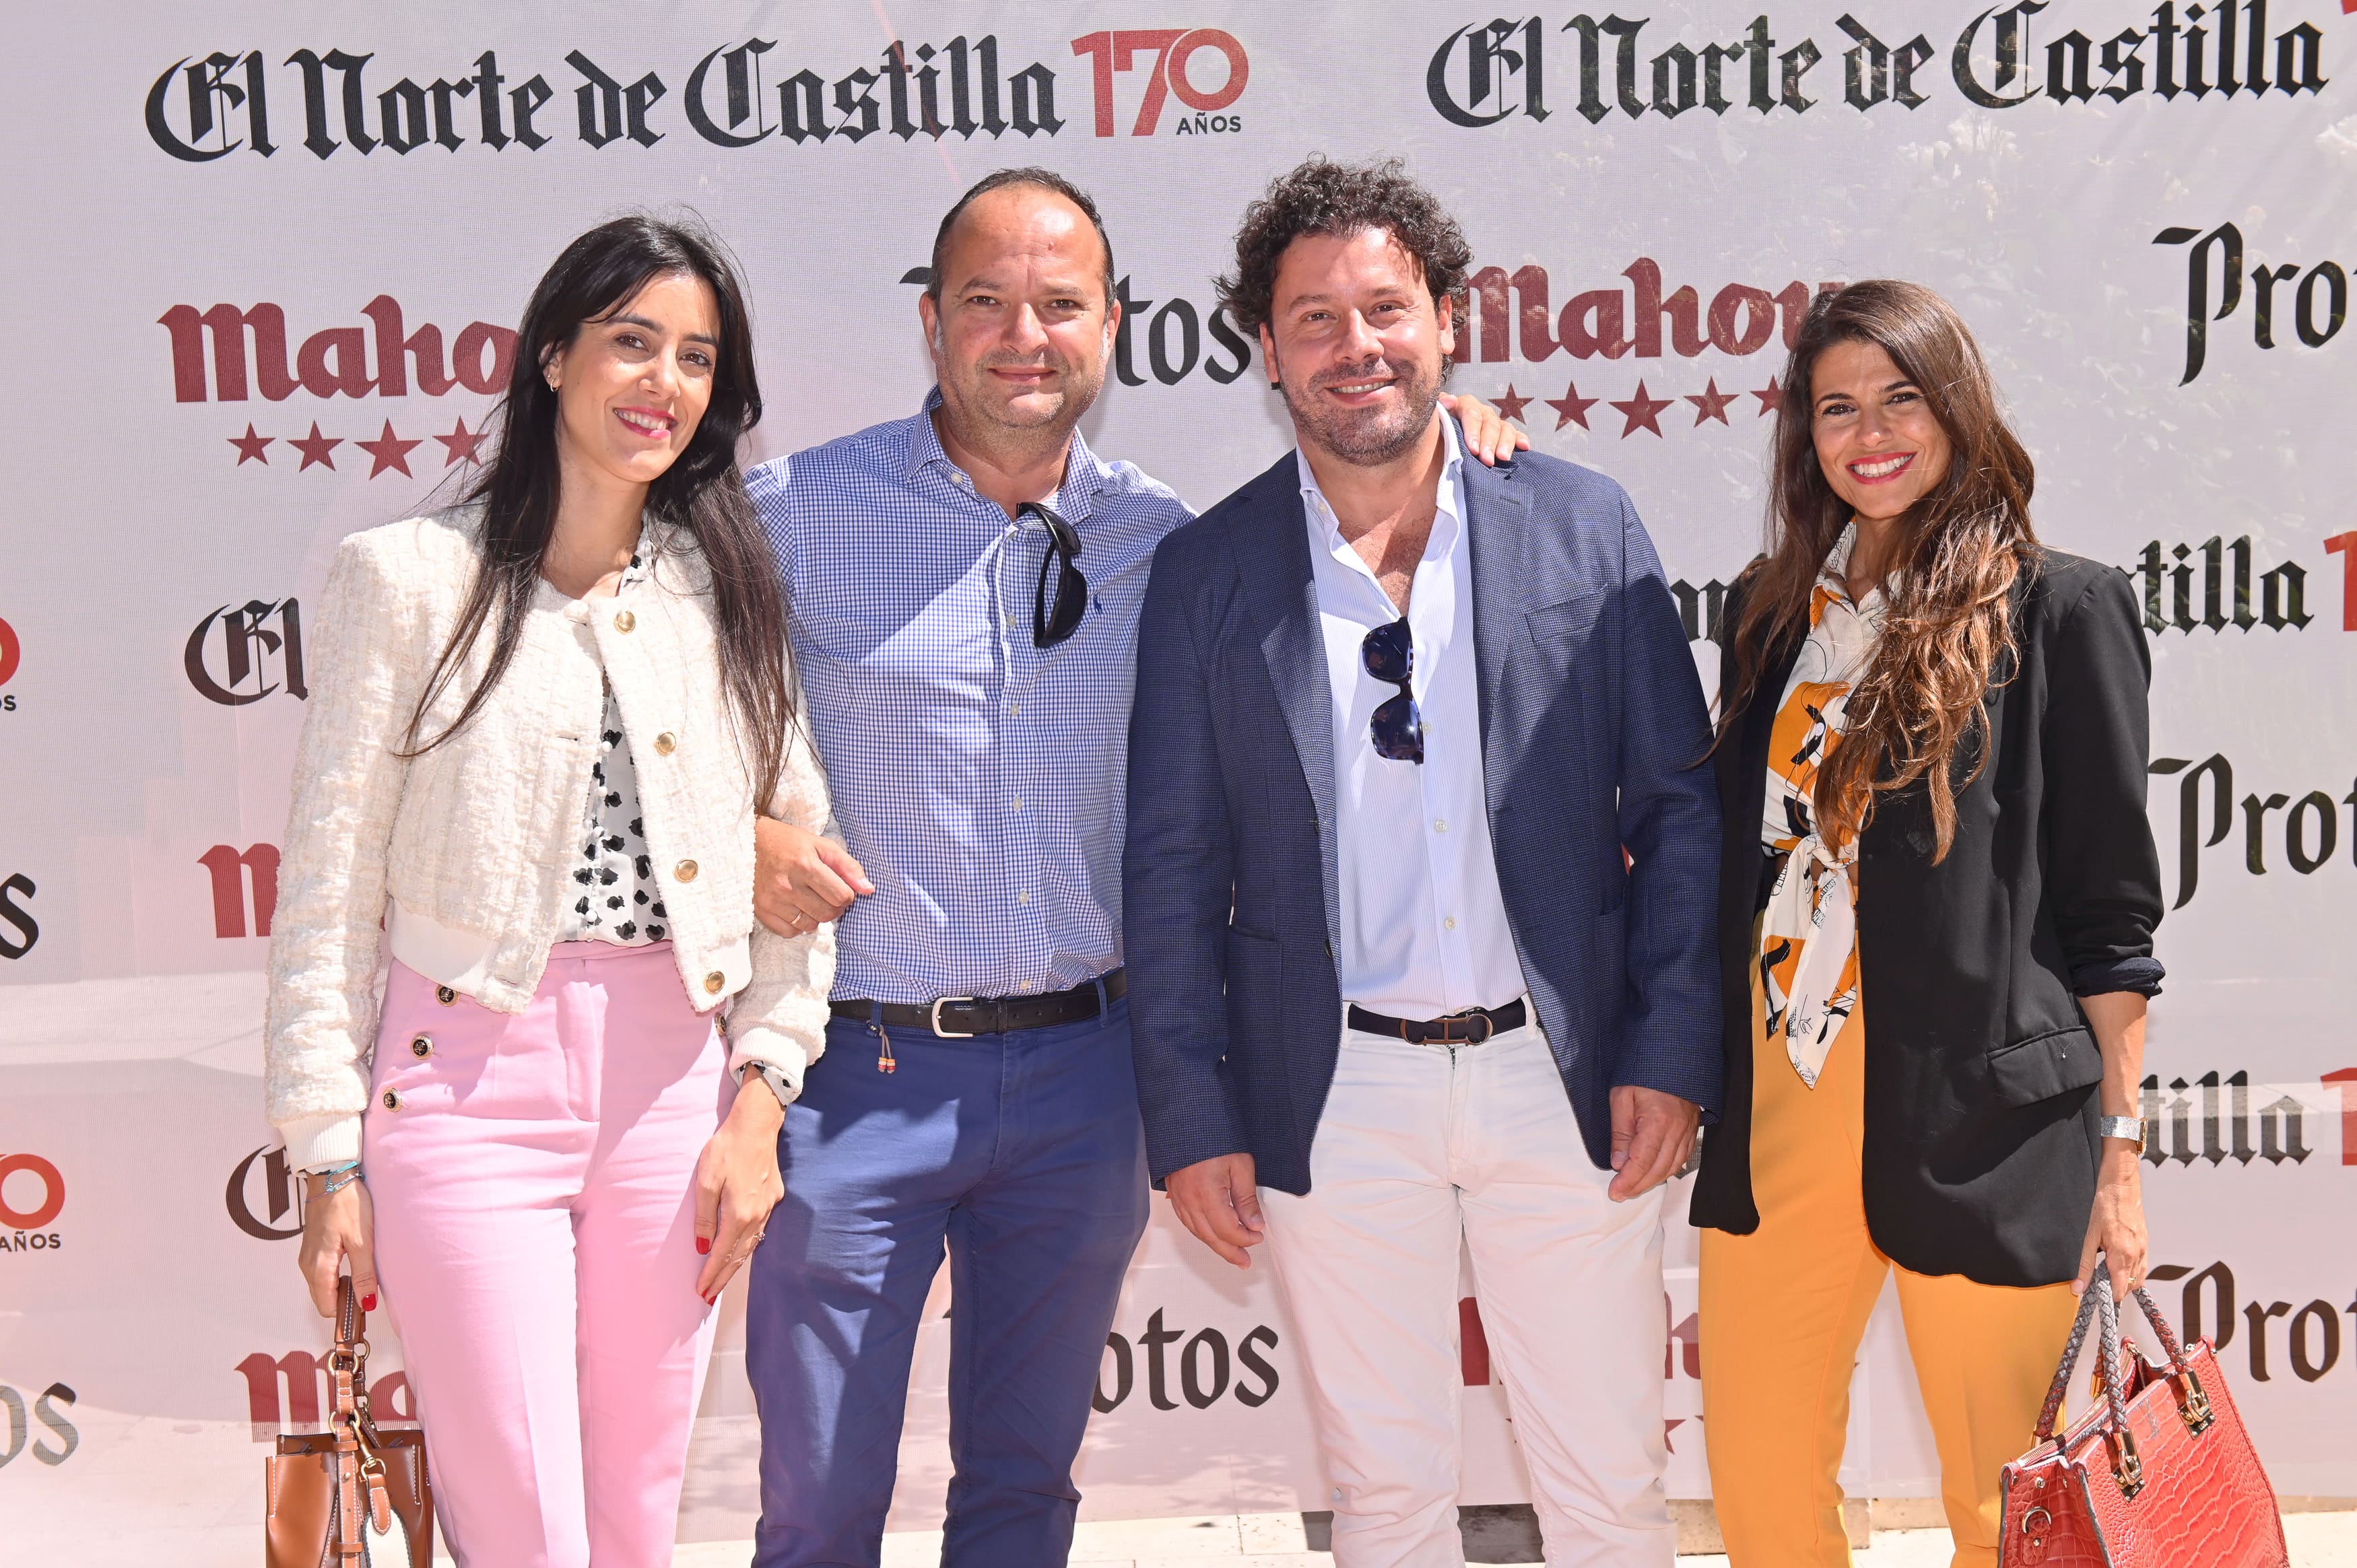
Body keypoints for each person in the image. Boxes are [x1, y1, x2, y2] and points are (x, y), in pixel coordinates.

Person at [740, 166, 1525, 1568]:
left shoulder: (1168, 541)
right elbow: (623, 696)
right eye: (985, 303)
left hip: (1082, 1091)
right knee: (819, 1505)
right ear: (931, 324)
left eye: (1059, 304)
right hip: (856, 1079)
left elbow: (1370, 504)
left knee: (1025, 1490)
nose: (1021, 335)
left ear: (1113, 327)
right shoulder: (789, 514)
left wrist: (1457, 437)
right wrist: (730, 834)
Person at [1123, 156, 1722, 1568]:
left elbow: (1681, 810)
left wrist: (1673, 1044)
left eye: (1383, 308)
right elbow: (1166, 864)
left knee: (1608, 1495)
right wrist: (1191, 1110)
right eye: (1314, 319)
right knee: (1381, 1503)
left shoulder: (1583, 524)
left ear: (1446, 317)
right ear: (1264, 351)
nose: (1356, 346)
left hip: (1564, 1082)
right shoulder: (1206, 575)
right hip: (1333, 1091)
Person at [265, 215, 834, 1568]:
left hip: (667, 1091)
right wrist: (325, 1154)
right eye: (632, 341)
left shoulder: (724, 587)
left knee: (637, 1510)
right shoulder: (408, 581)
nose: (663, 381)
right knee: (520, 1514)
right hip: (462, 1085)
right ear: (553, 360)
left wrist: (760, 1094)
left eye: (695, 357)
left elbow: (795, 874)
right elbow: (330, 880)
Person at [1688, 280, 2162, 1568]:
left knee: (2008, 1504)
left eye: (1901, 396)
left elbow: (2113, 918)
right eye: (1837, 407)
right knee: (1762, 1486)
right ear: (1806, 437)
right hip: (1783, 1104)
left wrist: (2118, 1161)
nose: (1870, 432)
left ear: (1956, 406)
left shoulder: (2062, 609)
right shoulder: (1769, 617)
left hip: (1988, 1127)